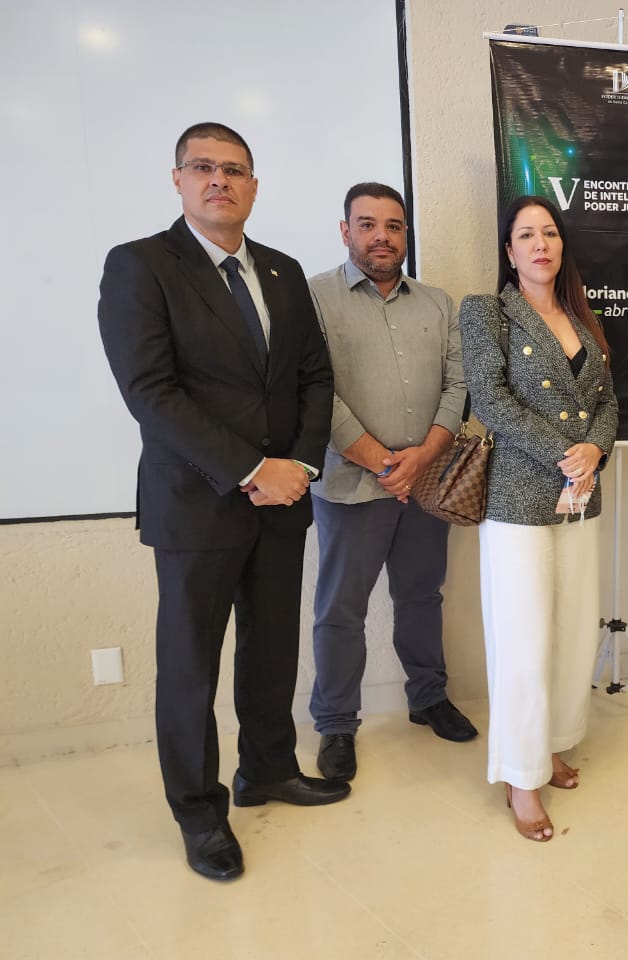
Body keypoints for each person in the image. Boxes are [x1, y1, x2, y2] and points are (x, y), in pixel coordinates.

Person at [97, 122, 347, 882]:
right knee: (190, 668)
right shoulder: (142, 265)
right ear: (177, 179)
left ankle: (267, 769)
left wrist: (299, 465)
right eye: (202, 167)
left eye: (234, 169)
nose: (219, 180)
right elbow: (151, 392)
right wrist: (250, 468)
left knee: (271, 650)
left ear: (253, 186)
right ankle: (199, 812)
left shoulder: (281, 270)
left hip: (283, 501)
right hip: (196, 504)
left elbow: (314, 377)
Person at [458, 195, 618, 842]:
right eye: (526, 235)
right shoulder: (486, 312)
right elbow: (490, 399)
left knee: (574, 629)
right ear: (509, 251)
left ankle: (551, 746)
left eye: (549, 233)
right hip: (519, 498)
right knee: (523, 638)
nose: (540, 244)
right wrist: (564, 452)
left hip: (580, 494)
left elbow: (608, 402)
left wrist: (595, 450)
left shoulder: (583, 315)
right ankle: (521, 776)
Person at [306, 182, 476, 784]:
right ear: (345, 230)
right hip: (351, 486)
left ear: (406, 234)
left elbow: (459, 385)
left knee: (422, 597)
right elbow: (314, 392)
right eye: (368, 224)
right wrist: (385, 463)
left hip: (427, 485)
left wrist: (422, 458)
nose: (382, 236)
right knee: (340, 610)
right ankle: (335, 724)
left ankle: (428, 698)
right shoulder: (313, 297)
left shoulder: (438, 303)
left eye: (394, 226)